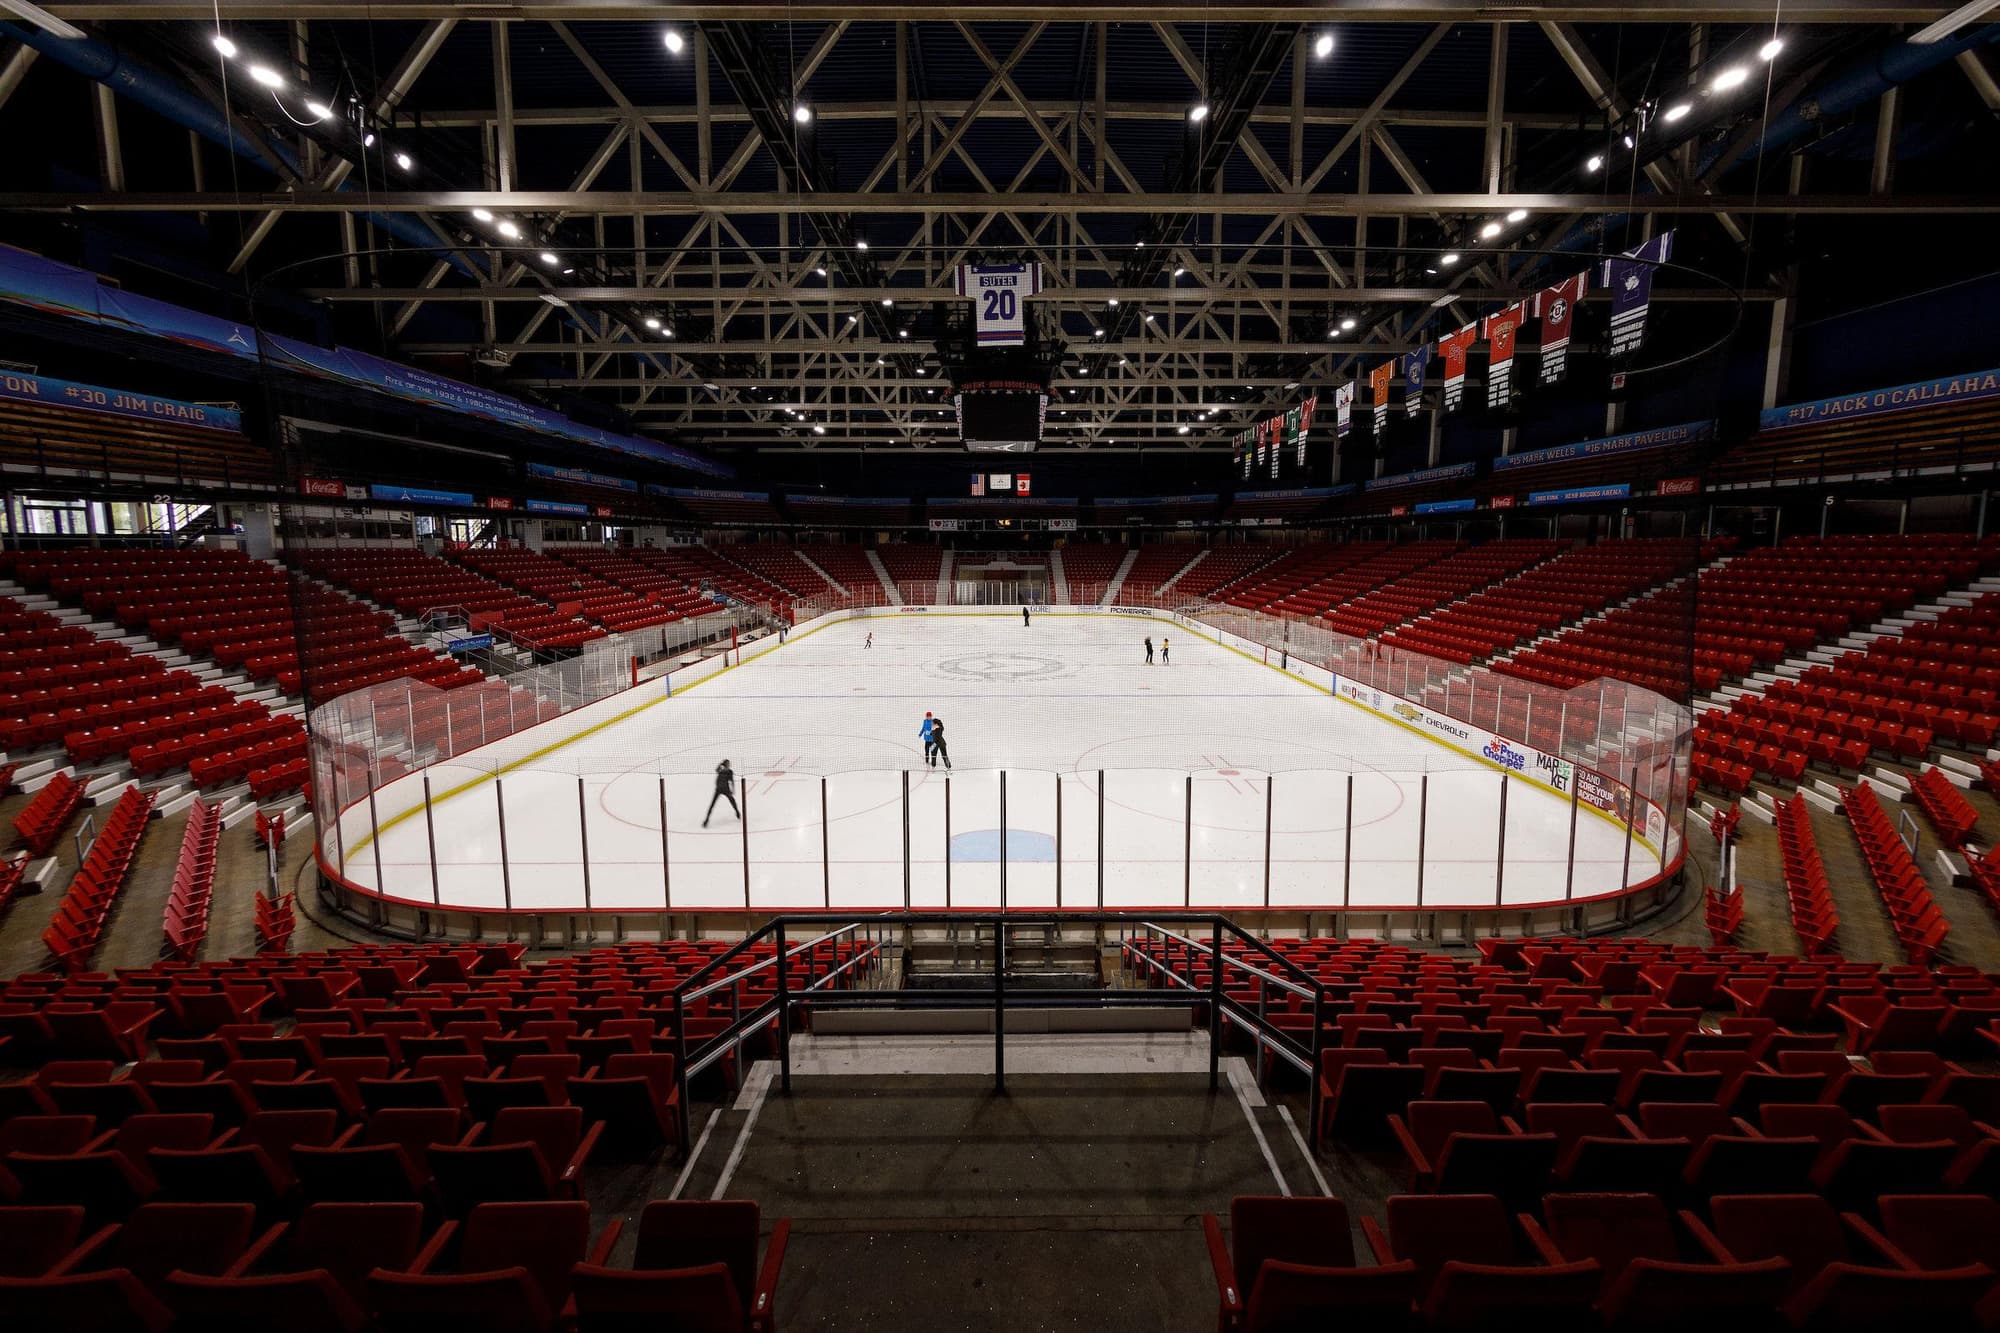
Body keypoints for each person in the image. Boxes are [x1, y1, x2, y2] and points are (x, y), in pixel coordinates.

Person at [703, 759, 739, 827]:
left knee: (732, 801)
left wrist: (732, 789)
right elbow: (716, 770)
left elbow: (731, 781)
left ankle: (737, 812)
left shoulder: (730, 772)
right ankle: (706, 820)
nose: (729, 765)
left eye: (729, 764)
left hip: (726, 789)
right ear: (725, 764)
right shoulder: (720, 769)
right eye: (728, 764)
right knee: (712, 805)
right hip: (718, 789)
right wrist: (720, 764)